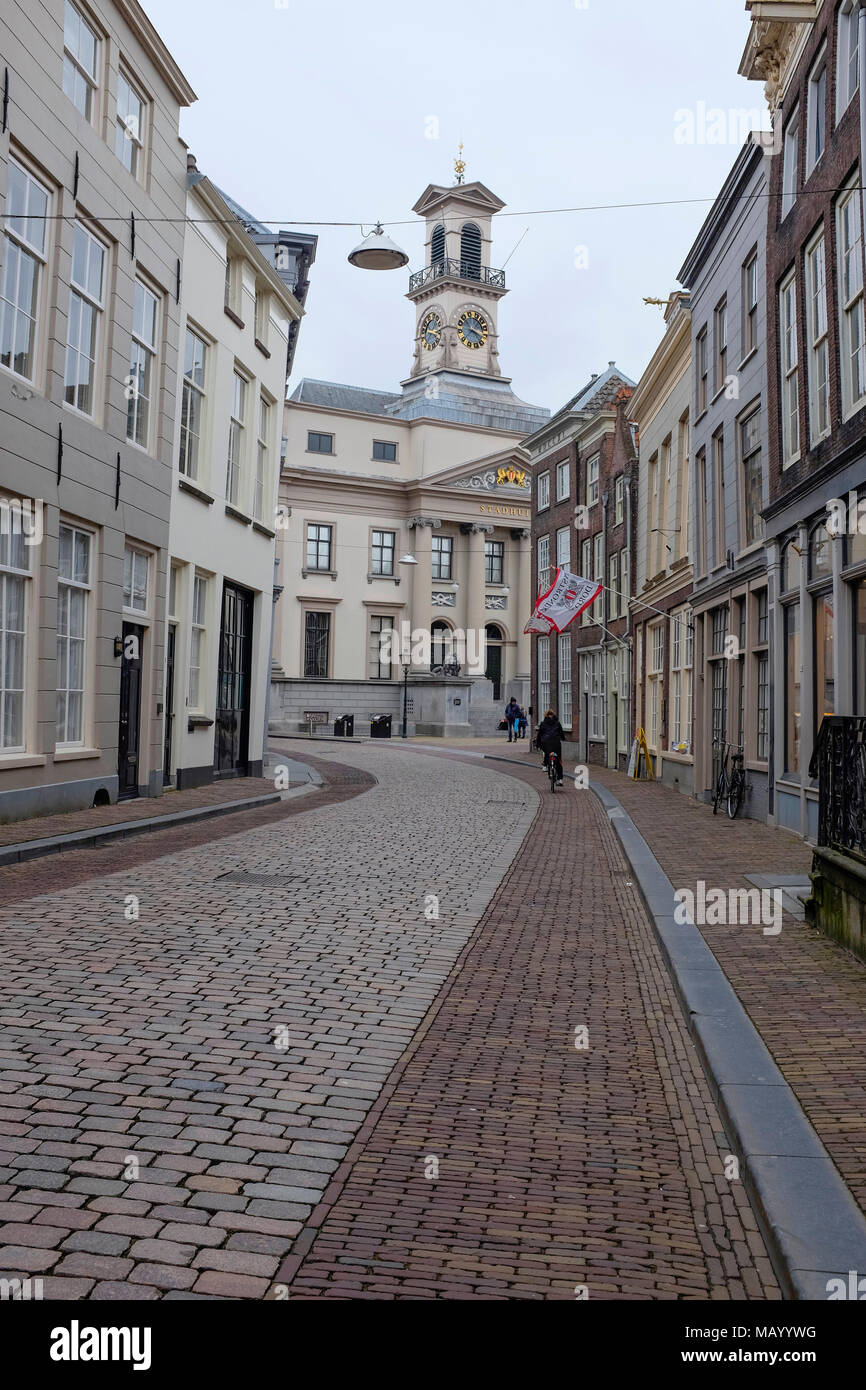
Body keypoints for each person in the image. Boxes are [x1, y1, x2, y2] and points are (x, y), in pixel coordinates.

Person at [537, 708, 564, 780]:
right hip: (556, 743)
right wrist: (563, 738)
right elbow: (561, 733)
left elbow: (539, 735)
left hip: (546, 743)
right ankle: (560, 779)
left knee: (546, 752)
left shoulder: (543, 723)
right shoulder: (557, 723)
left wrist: (538, 743)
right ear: (553, 715)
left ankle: (545, 765)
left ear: (546, 715)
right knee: (558, 760)